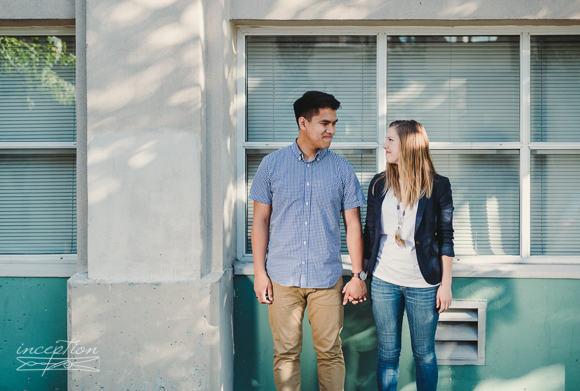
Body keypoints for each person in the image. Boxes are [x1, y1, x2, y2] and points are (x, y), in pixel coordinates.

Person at [250, 91, 368, 391]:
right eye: (324, 123)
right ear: (303, 122)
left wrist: (357, 274)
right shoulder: (271, 165)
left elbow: (353, 224)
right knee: (286, 355)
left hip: (326, 279)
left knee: (330, 353)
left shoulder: (342, 169)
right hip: (282, 278)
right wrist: (260, 273)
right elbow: (260, 221)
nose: (332, 130)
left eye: (334, 123)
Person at [363, 120, 454, 391]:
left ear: (408, 144)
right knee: (387, 353)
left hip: (423, 284)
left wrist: (446, 284)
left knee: (424, 354)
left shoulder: (438, 186)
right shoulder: (379, 184)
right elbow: (370, 234)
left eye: (391, 140)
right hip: (383, 280)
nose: (385, 145)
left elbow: (446, 236)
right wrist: (360, 274)